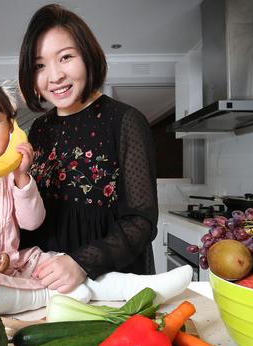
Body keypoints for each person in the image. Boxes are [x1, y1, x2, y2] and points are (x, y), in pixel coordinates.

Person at [0, 78, 191, 317]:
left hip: (10, 261)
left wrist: (23, 179)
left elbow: (33, 222)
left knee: (62, 264)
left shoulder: (16, 172)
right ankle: (44, 295)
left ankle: (140, 287)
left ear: (11, 127)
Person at [18, 4, 163, 296]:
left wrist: (81, 263)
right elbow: (33, 209)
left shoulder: (125, 120)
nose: (55, 75)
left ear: (88, 55)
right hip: (48, 282)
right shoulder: (39, 129)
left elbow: (141, 221)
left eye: (66, 57)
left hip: (110, 282)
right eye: (40, 66)